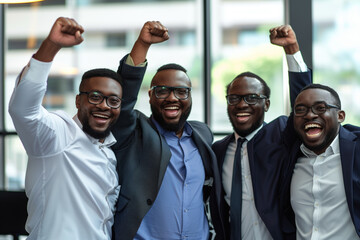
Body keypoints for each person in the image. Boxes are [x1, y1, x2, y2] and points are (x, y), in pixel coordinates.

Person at [8, 17, 168, 240]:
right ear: (77, 101)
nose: (104, 105)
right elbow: (23, 109)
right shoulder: (57, 137)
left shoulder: (110, 154)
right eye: (95, 97)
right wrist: (52, 46)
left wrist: (143, 45)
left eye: (113, 101)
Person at [110, 25, 222, 240]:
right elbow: (122, 103)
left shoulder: (202, 134)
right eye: (162, 91)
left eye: (181, 91)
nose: (172, 98)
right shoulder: (136, 132)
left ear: (190, 97)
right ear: (150, 96)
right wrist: (142, 45)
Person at [211, 25, 312, 240]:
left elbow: (303, 103)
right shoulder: (217, 150)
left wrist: (291, 50)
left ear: (266, 105)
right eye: (234, 98)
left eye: (252, 98)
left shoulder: (281, 134)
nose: (242, 104)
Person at [281, 83, 360, 239]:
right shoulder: (289, 155)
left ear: (340, 116)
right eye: (301, 110)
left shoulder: (356, 150)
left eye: (320, 108)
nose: (310, 115)